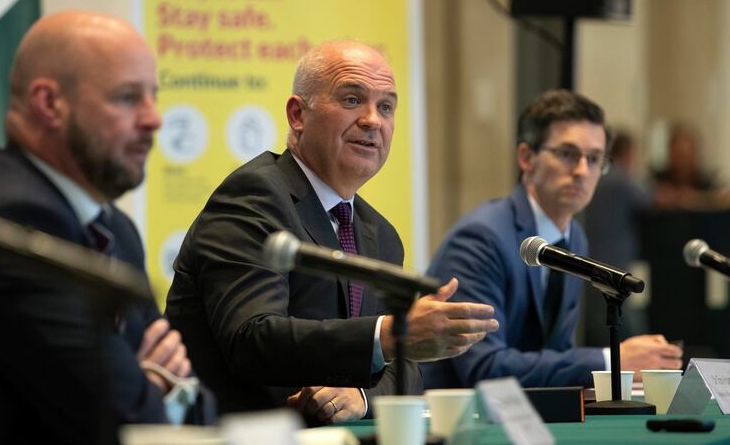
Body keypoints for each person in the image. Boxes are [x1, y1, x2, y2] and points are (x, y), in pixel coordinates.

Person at [166, 40, 499, 423]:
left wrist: (361, 394)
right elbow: (251, 339)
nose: (373, 120)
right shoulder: (254, 197)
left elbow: (405, 367)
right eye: (353, 100)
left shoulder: (381, 235)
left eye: (386, 107)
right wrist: (389, 335)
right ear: (297, 115)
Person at [0, 11, 199, 444]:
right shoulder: (8, 222)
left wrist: (161, 386)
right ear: (50, 103)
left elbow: (191, 400)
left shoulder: (117, 231)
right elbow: (118, 420)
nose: (154, 119)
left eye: (154, 95)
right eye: (128, 98)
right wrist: (156, 385)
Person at [421, 90, 682, 390]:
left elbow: (554, 355)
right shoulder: (482, 238)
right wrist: (611, 361)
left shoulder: (574, 239)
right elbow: (485, 367)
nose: (583, 171)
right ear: (526, 157)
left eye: (595, 159)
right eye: (568, 154)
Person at [583, 131, 651, 345]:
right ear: (628, 153)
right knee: (627, 324)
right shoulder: (621, 179)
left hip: (592, 257)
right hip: (616, 261)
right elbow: (649, 199)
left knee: (597, 320)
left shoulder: (600, 179)